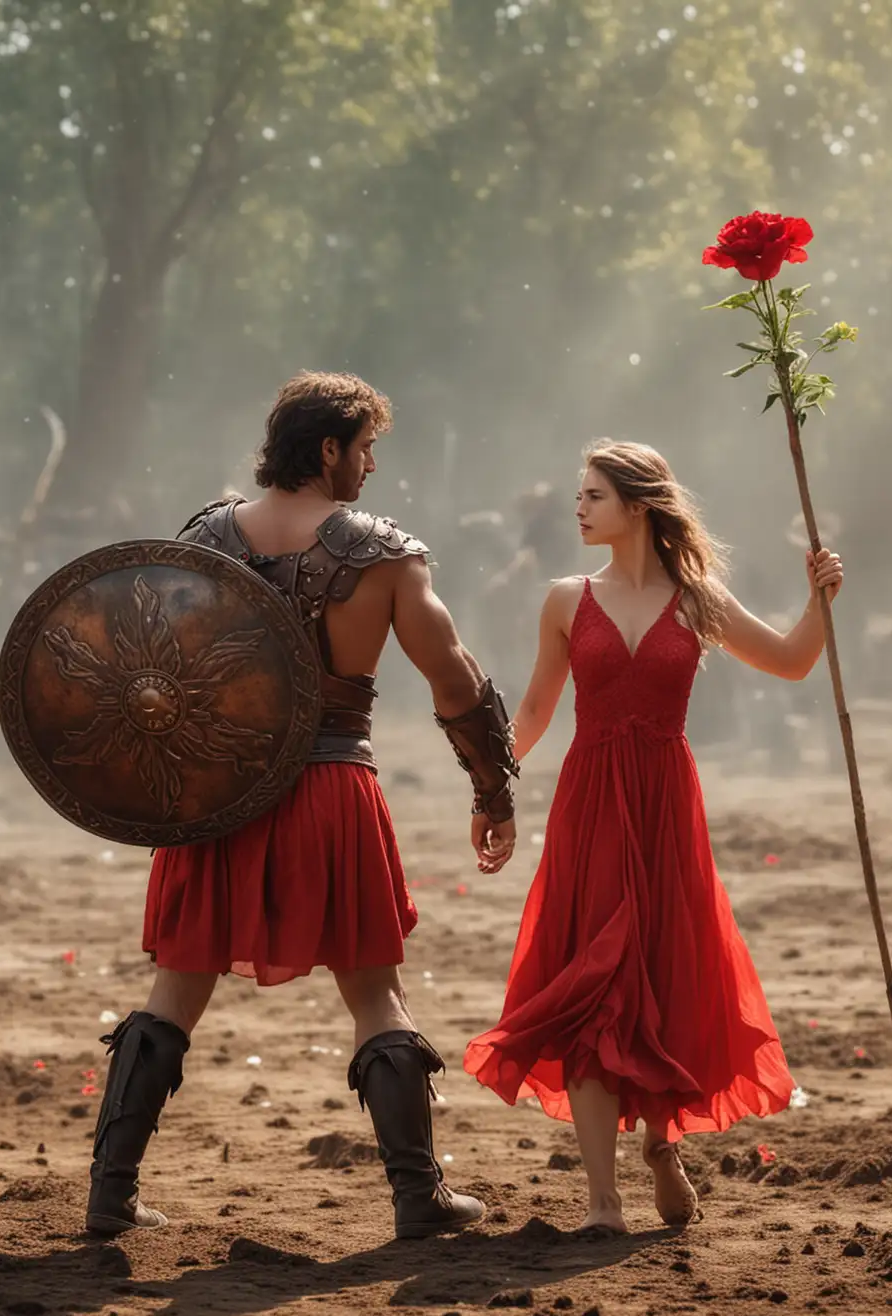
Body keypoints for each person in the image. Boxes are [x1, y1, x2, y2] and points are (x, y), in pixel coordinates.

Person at [85, 372, 520, 1241]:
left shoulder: (202, 542)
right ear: (328, 449)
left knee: (176, 988)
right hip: (330, 788)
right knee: (374, 992)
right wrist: (493, 787)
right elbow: (456, 678)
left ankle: (110, 1196)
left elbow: (147, 675)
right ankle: (417, 1196)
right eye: (364, 449)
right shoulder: (386, 557)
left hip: (219, 793)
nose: (370, 467)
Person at [463, 439, 843, 1233]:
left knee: (663, 975)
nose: (579, 507)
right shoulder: (566, 599)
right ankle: (602, 1200)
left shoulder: (697, 597)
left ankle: (663, 1147)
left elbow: (794, 662)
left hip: (667, 805)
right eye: (581, 494)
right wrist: (491, 788)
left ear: (638, 507)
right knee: (597, 979)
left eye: (594, 496)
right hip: (592, 804)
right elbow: (534, 712)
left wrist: (820, 599)